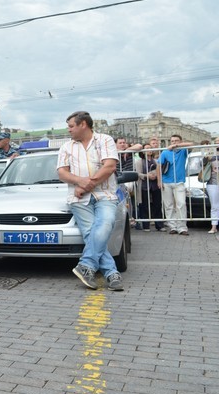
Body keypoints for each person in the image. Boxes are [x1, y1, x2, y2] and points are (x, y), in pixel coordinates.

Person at [57, 111, 124, 291]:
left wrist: (88, 185)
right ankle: (111, 273)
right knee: (90, 232)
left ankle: (86, 264)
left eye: (71, 126)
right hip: (78, 199)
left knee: (105, 224)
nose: (69, 130)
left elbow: (109, 166)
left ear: (83, 124)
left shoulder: (104, 140)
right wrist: (80, 182)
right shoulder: (66, 147)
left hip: (105, 195)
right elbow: (62, 172)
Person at [156, 134, 193, 235]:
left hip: (179, 182)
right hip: (166, 182)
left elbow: (191, 144)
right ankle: (172, 226)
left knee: (181, 204)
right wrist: (159, 181)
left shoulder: (183, 151)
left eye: (176, 141)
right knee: (168, 205)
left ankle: (182, 228)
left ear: (181, 141)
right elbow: (158, 167)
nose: (174, 143)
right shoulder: (165, 152)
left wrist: (177, 146)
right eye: (172, 141)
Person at [136, 145, 165, 232]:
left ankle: (159, 225)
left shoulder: (156, 161)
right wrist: (147, 176)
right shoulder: (139, 161)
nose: (149, 150)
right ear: (143, 151)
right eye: (147, 148)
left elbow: (160, 171)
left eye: (150, 148)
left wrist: (155, 175)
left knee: (157, 205)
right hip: (144, 185)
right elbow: (138, 173)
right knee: (145, 205)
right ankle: (146, 226)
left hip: (155, 185)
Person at [204, 137, 219, 233]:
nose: (218, 144)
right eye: (216, 142)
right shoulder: (210, 153)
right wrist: (206, 158)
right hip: (213, 183)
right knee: (214, 206)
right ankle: (214, 227)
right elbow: (202, 164)